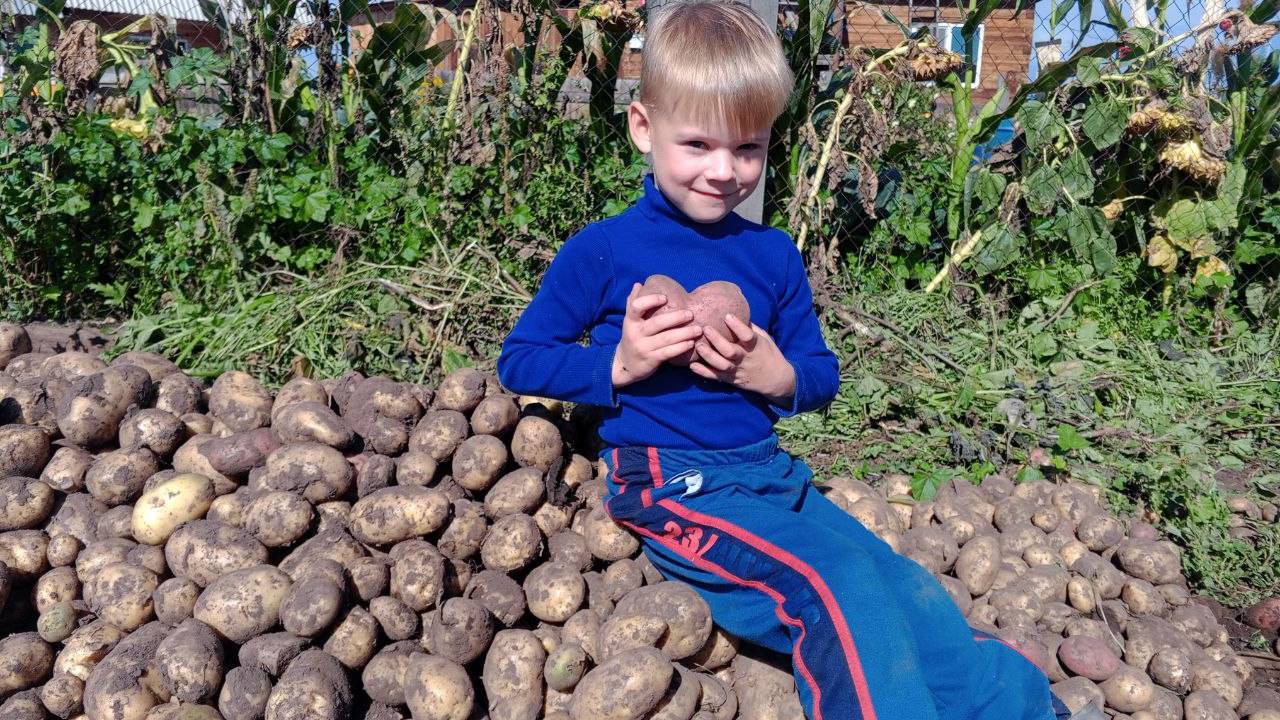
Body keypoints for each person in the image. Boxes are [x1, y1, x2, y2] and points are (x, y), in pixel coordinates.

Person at [497, 1, 1080, 718]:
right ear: (644, 129)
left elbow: (819, 376)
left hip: (772, 476)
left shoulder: (771, 255)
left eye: (749, 149)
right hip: (676, 487)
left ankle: (1022, 708)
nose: (724, 171)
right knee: (835, 586)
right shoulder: (606, 249)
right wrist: (619, 363)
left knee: (906, 587)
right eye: (699, 145)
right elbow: (520, 359)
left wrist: (777, 377)